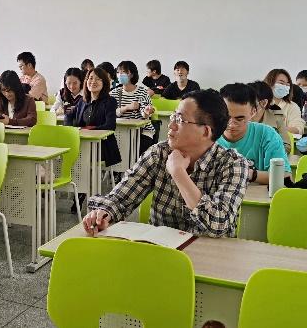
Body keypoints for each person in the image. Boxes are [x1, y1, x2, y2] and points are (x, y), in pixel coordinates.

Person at [83, 89, 249, 237]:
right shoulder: (159, 153)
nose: (171, 125)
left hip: (210, 255)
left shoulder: (233, 164)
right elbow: (121, 198)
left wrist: (178, 173)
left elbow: (219, 224)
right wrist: (103, 213)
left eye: (180, 120)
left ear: (205, 131)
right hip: (161, 251)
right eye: (173, 116)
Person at [217, 83, 289, 185]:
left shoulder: (267, 135)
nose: (231, 124)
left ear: (253, 112)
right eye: (226, 117)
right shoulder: (207, 135)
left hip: (258, 194)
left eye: (239, 118)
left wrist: (248, 173)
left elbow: (285, 176)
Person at [65, 67, 121, 167]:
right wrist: (71, 130)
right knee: (63, 154)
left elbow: (110, 125)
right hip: (82, 143)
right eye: (90, 78)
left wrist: (87, 129)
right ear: (86, 81)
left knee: (76, 157)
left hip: (101, 145)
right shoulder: (82, 101)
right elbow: (68, 115)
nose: (93, 81)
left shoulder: (110, 101)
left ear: (104, 83)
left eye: (98, 79)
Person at [110, 61, 156, 154]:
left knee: (135, 151)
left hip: (142, 131)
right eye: (118, 72)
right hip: (121, 131)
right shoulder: (114, 93)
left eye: (123, 72)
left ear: (131, 74)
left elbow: (145, 113)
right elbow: (110, 113)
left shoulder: (142, 92)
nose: (120, 75)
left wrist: (146, 111)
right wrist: (127, 107)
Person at [248, 80, 292, 152]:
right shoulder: (238, 117)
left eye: (250, 101)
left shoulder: (277, 117)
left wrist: (268, 153)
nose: (245, 103)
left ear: (264, 103)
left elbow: (286, 146)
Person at [264, 68, 304, 135]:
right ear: (270, 83)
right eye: (281, 83)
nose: (285, 86)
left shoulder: (292, 106)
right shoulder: (260, 104)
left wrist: (274, 129)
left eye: (287, 84)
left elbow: (298, 129)